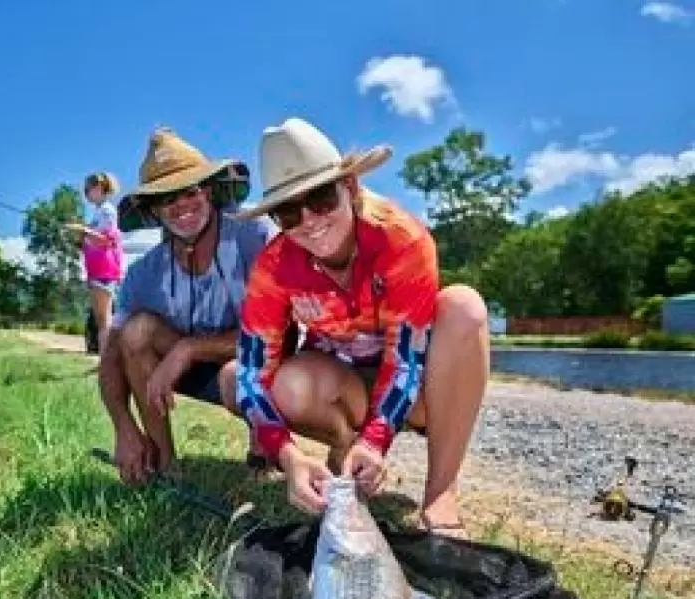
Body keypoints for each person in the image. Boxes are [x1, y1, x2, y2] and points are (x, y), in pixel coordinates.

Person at [234, 117, 490, 539]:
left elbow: (406, 357)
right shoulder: (273, 266)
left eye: (320, 198)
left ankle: (441, 491)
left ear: (350, 188)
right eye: (288, 212)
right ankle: (343, 451)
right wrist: (288, 456)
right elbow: (249, 372)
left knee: (464, 306)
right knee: (289, 384)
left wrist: (376, 439)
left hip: (417, 387)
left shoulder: (402, 239)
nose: (310, 222)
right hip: (341, 383)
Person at [97, 127, 280, 484]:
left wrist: (190, 347)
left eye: (190, 191)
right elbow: (111, 359)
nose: (181, 206)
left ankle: (267, 448)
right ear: (153, 210)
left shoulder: (254, 235)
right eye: (167, 198)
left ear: (209, 192)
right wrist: (123, 427)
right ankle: (165, 464)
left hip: (258, 360)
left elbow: (276, 334)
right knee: (135, 333)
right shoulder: (141, 274)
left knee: (250, 365)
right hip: (187, 371)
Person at [67, 172, 126, 356]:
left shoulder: (107, 210)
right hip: (96, 270)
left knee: (104, 318)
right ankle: (105, 361)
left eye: (88, 189)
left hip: (104, 270)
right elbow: (94, 241)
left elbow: (106, 241)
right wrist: (81, 238)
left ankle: (108, 362)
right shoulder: (99, 212)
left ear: (99, 188)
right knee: (101, 319)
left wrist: (83, 230)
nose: (85, 193)